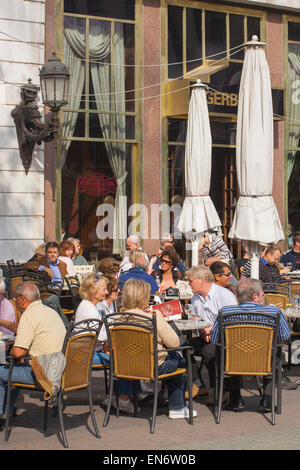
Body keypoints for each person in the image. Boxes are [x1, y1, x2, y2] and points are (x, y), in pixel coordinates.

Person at [120, 278, 197, 420]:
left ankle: (161, 396)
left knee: (173, 357)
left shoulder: (117, 318)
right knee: (179, 357)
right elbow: (174, 342)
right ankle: (177, 406)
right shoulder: (153, 317)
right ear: (143, 297)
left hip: (126, 366)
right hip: (153, 366)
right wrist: (159, 318)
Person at [210, 278, 291, 412]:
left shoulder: (225, 312)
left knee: (227, 351)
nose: (263, 295)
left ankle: (235, 398)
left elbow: (215, 338)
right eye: (261, 293)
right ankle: (267, 400)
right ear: (255, 297)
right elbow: (284, 336)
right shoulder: (274, 312)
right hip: (263, 360)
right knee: (273, 352)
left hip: (233, 362)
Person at [0, 281, 66, 420]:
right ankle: (6, 410)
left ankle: (2, 413)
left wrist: (11, 350)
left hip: (43, 374)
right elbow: (24, 330)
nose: (14, 302)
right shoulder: (49, 311)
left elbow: (18, 352)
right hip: (59, 370)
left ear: (22, 299)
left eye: (15, 298)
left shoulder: (29, 315)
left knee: (2, 372)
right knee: (15, 368)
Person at [185, 265, 237, 402]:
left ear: (202, 280)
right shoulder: (196, 297)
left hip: (226, 338)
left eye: (190, 281)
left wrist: (212, 329)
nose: (188, 284)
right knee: (183, 346)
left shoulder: (224, 295)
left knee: (209, 351)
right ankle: (198, 383)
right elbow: (197, 318)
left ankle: (219, 391)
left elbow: (233, 322)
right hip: (206, 336)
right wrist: (199, 326)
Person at [74, 273, 110, 366]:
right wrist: (117, 331)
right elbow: (99, 336)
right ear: (93, 291)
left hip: (89, 351)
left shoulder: (90, 305)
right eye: (104, 289)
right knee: (121, 360)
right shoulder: (88, 309)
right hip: (87, 354)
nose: (107, 292)